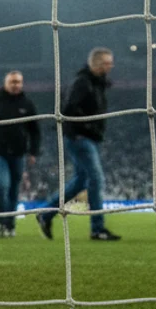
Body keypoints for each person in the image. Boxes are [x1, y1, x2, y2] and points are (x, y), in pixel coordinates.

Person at [36, 48, 121, 242]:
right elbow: (68, 109)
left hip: (88, 137)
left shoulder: (95, 83)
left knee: (82, 181)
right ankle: (97, 228)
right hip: (80, 137)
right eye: (107, 63)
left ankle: (45, 214)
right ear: (96, 64)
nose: (110, 67)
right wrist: (86, 127)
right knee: (96, 179)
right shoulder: (82, 83)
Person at [0, 70, 41, 238]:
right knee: (1, 187)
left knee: (13, 191)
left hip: (18, 155)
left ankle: (10, 225)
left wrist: (33, 151)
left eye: (18, 82)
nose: (16, 85)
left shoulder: (27, 105)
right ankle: (2, 222)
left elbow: (35, 131)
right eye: (12, 82)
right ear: (5, 83)